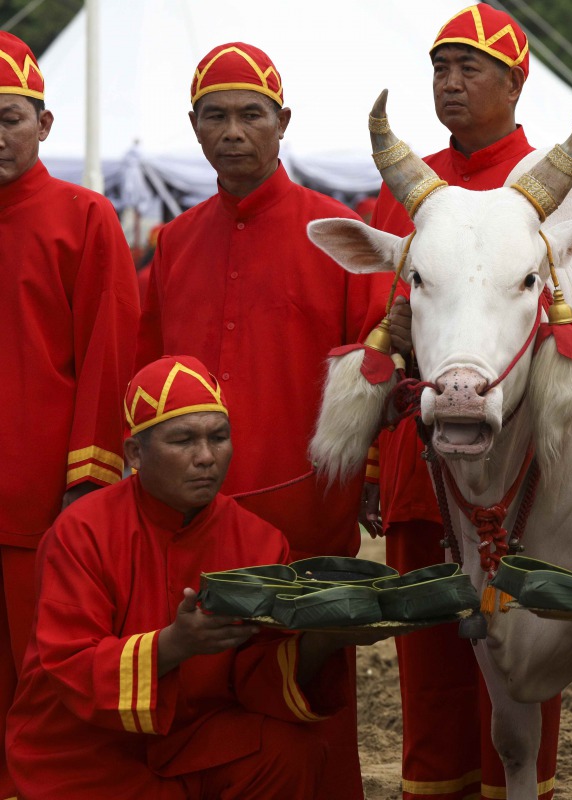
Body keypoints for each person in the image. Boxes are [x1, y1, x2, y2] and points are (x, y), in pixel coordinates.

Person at [134, 42, 379, 797]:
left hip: (304, 512)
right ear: (195, 127)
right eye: (216, 116)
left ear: (283, 124)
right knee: (198, 688)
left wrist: (368, 475)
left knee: (310, 698)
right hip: (190, 517)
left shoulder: (337, 235)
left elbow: (379, 375)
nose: (233, 131)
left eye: (251, 115)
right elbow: (142, 378)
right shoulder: (171, 243)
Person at [5, 356, 383, 799]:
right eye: (183, 440)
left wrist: (325, 637)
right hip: (87, 752)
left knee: (287, 749)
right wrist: (173, 645)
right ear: (134, 454)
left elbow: (255, 676)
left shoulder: (259, 541)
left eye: (218, 438)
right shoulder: (80, 532)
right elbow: (70, 666)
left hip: (198, 739)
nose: (205, 457)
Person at [366, 6, 559, 798]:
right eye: (440, 67)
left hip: (522, 486)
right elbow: (382, 331)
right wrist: (380, 460)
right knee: (428, 675)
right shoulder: (407, 192)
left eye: (468, 68)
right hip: (422, 467)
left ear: (515, 83)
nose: (449, 82)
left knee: (518, 670)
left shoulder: (552, 190)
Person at [0, 30, 139, 796]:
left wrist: (87, 492)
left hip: (41, 510)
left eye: (9, 117)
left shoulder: (84, 217)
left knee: (47, 691)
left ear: (44, 125)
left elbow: (108, 360)